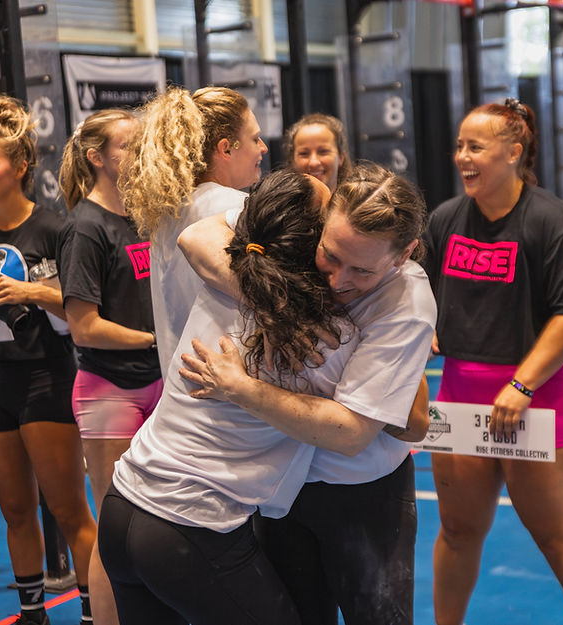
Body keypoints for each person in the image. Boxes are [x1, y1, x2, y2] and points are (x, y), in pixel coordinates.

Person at [178, 161, 436, 625]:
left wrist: (242, 389)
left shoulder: (407, 305)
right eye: (330, 256)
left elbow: (353, 432)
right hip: (281, 484)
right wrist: (281, 305)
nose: (338, 281)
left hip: (361, 493)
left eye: (361, 270)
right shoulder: (311, 227)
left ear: (403, 255)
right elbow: (195, 237)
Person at [423, 99, 563, 625]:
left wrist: (523, 385)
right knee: (457, 531)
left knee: (558, 537)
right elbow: (418, 292)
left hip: (539, 401)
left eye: (475, 147)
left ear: (513, 151)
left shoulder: (551, 222)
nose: (463, 156)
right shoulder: (445, 219)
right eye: (459, 146)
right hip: (460, 397)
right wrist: (427, 328)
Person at [0, 94, 96, 625]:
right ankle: (32, 615)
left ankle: (91, 613)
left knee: (68, 509)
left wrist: (30, 292)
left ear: (21, 167)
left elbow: (83, 310)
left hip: (46, 377)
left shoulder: (56, 229)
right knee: (14, 511)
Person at [57, 108, 162, 625]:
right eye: (128, 146)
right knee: (113, 525)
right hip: (109, 393)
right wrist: (155, 338)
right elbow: (84, 326)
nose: (140, 153)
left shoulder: (143, 217)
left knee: (159, 517)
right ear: (97, 158)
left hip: (157, 383)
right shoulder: (85, 226)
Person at [118, 85, 268, 376]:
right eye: (255, 138)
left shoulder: (168, 215)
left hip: (180, 390)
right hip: (229, 400)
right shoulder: (237, 207)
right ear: (226, 148)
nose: (263, 147)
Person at [283, 113, 352, 192]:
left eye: (323, 152)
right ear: (292, 160)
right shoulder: (279, 204)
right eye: (304, 153)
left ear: (341, 157)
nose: (314, 163)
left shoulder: (358, 203)